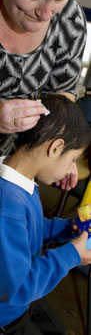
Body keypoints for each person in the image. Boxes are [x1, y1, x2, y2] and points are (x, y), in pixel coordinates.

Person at [0, 0, 90, 190]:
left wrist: (64, 154)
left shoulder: (69, 19)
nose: (46, 14)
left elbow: (61, 101)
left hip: (16, 174)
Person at [0, 93, 91, 334]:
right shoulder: (7, 207)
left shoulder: (21, 182)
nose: (72, 170)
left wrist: (65, 229)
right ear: (55, 147)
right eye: (72, 159)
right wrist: (72, 255)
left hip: (21, 304)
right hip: (7, 318)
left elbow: (31, 229)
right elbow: (17, 289)